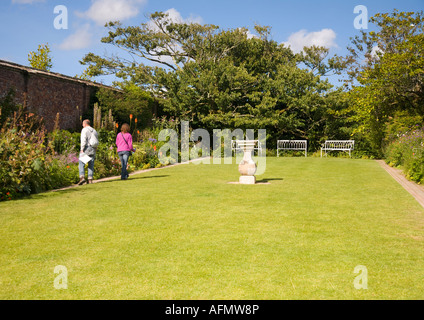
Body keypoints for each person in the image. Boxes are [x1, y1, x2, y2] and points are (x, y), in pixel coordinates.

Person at [78, 119, 98, 185]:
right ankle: (90, 179)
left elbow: (83, 140)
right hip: (93, 148)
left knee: (81, 162)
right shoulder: (94, 130)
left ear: (85, 124)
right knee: (91, 164)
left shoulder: (84, 130)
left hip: (86, 148)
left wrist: (82, 149)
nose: (82, 125)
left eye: (83, 124)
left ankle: (82, 177)